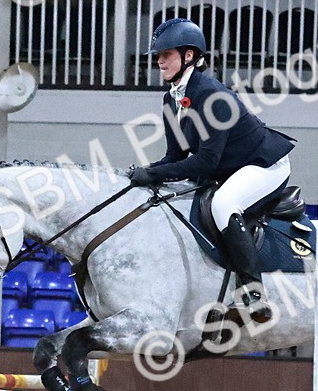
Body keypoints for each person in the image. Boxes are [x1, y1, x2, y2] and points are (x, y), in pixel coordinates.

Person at [126, 18, 295, 322]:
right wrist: (144, 172)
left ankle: (254, 293)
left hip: (263, 165)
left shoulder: (211, 95)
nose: (160, 61)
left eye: (166, 55)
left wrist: (153, 175)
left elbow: (206, 162)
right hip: (230, 168)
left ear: (188, 55)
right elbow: (175, 155)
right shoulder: (171, 98)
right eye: (158, 56)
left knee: (223, 204)